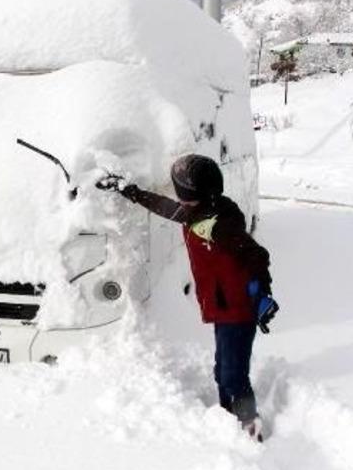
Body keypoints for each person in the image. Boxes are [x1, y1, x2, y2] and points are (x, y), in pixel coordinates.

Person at [96, 154, 279, 442]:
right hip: (222, 308)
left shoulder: (219, 225)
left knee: (233, 375)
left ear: (196, 195)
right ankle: (227, 417)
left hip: (238, 310)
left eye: (184, 196)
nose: (179, 202)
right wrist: (132, 193)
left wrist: (264, 293)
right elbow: (166, 207)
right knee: (223, 370)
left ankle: (250, 427)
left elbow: (257, 255)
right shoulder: (197, 213)